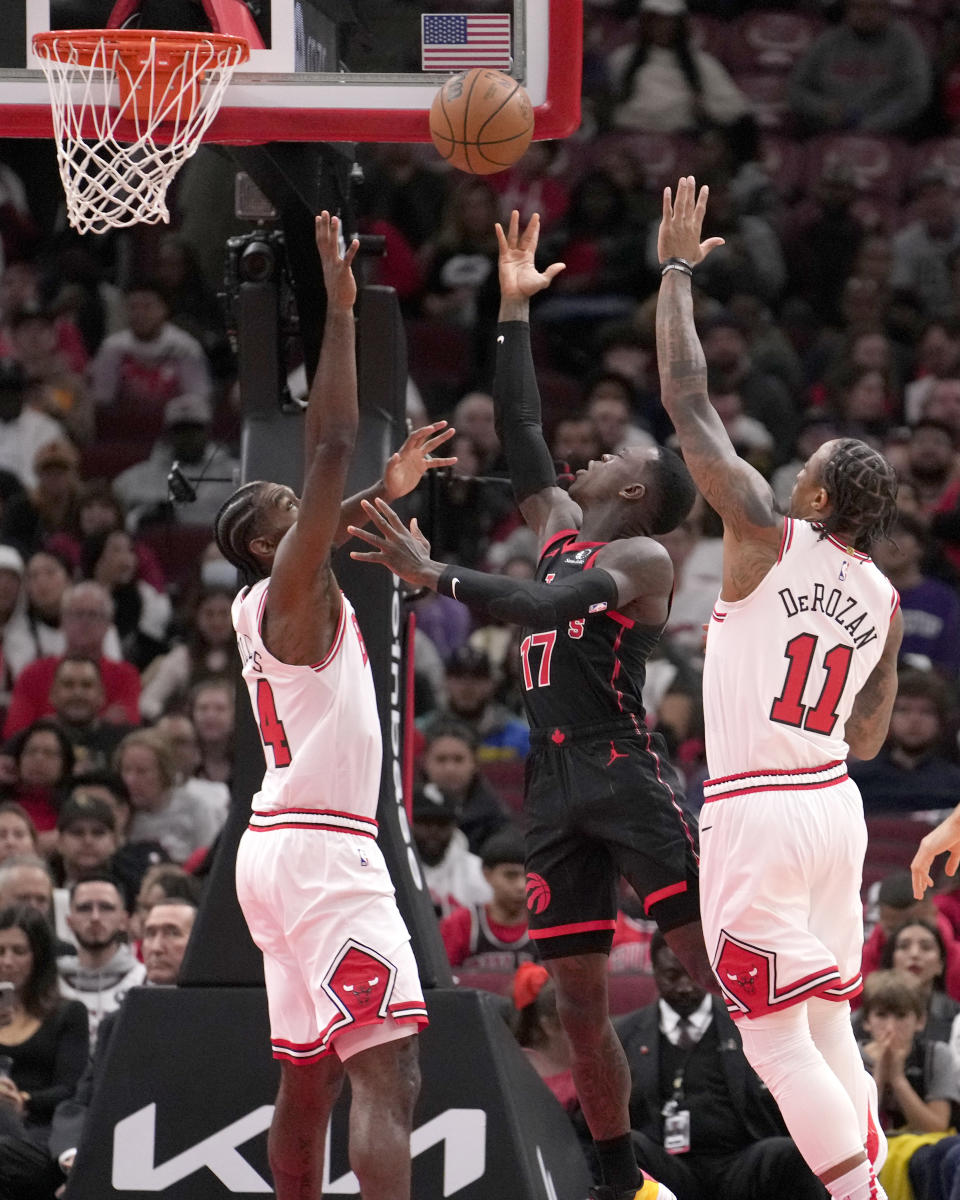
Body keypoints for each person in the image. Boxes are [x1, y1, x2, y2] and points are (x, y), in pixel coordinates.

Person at [349, 210, 711, 1200]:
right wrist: (510, 309)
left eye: (617, 457)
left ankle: (815, 1119)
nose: (591, 454)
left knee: (712, 971)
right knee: (578, 1004)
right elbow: (519, 428)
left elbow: (546, 604)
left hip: (620, 767)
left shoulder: (638, 557)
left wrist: (440, 573)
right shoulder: (556, 520)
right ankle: (616, 1181)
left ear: (639, 493)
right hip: (550, 781)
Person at [656, 176, 904, 1200]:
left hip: (759, 812)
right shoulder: (885, 598)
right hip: (833, 807)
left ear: (814, 494)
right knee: (828, 1021)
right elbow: (875, 738)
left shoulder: (763, 533)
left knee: (770, 1040)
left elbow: (687, 401)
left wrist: (673, 272)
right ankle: (872, 1182)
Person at [211, 213, 457, 1200]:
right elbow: (335, 443)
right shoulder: (291, 590)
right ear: (279, 541)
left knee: (306, 1075)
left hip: (277, 850)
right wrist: (343, 313)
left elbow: (329, 512)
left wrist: (377, 497)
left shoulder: (260, 600)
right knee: (385, 1073)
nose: (309, 503)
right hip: (323, 852)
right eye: (291, 508)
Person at [615, 931, 827, 1200]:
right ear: (654, 971)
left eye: (693, 975)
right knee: (624, 1148)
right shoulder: (625, 1035)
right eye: (671, 976)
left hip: (738, 1161)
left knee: (786, 1153)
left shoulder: (748, 1023)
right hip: (665, 1167)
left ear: (709, 970)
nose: (685, 987)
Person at [47, 897, 198, 1184]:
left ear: (202, 941)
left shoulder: (223, 1017)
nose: (156, 946)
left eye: (172, 933)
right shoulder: (117, 1023)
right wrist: (73, 1154)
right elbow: (81, 1103)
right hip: (109, 1158)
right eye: (150, 933)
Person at [0, 904, 89, 1200]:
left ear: (38, 957)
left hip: (41, 1135)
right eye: (0, 951)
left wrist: (23, 1101)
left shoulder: (67, 1013)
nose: (7, 962)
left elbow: (71, 1090)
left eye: (19, 951)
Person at [858, 970, 958, 1199]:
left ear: (920, 1021)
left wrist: (898, 1079)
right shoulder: (852, 1055)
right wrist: (880, 1078)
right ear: (866, 1021)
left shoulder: (936, 1054)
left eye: (901, 1016)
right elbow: (855, 1128)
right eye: (881, 1015)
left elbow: (937, 1125)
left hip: (923, 1147)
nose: (891, 1027)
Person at [2, 581, 141, 738]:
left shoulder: (125, 675)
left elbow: (128, 731)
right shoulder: (33, 674)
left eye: (94, 614)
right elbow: (16, 733)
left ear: (109, 624)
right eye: (77, 614)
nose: (85, 622)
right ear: (62, 621)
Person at [57, 872, 144, 1047]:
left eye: (106, 907)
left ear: (123, 920)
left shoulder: (144, 981)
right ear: (69, 921)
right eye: (84, 908)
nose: (95, 917)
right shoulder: (50, 981)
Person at [439, 825, 534, 971]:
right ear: (486, 874)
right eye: (511, 875)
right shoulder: (462, 924)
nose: (522, 886)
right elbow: (442, 982)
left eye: (528, 876)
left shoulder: (544, 924)